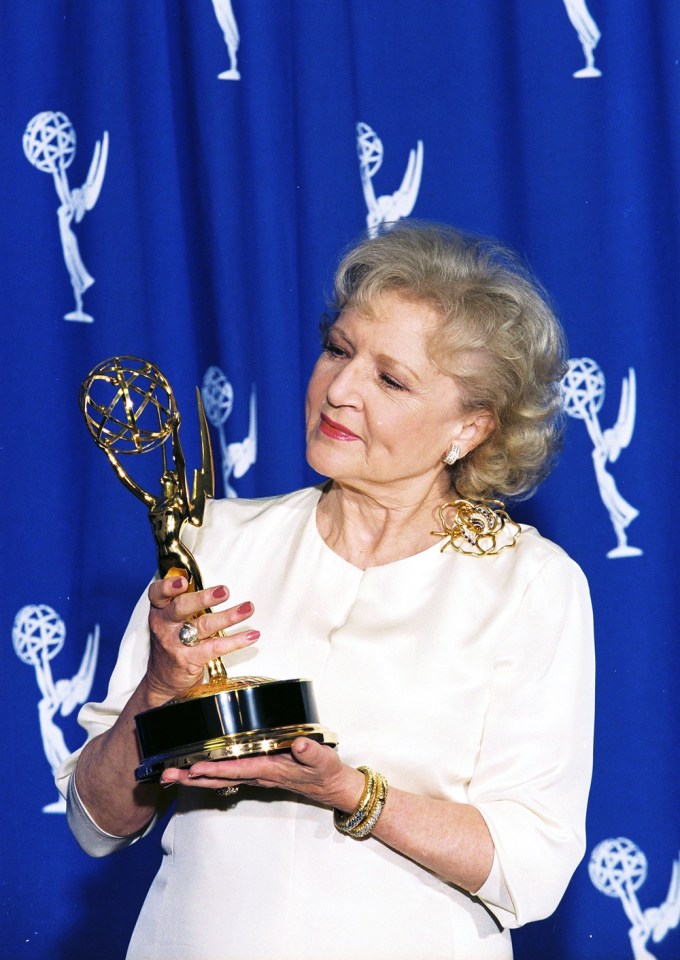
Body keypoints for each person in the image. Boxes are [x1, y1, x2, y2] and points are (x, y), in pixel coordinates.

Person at [57, 221, 595, 960]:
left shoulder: (529, 584)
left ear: (469, 429)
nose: (338, 390)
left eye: (390, 378)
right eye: (338, 350)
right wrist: (155, 692)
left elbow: (533, 866)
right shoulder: (212, 542)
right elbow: (95, 821)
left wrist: (350, 792)